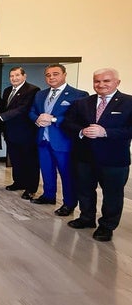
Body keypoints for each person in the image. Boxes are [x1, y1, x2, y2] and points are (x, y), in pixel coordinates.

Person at [62, 68, 132, 242]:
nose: (101, 85)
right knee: (84, 190)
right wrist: (81, 131)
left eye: (106, 81)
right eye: (97, 81)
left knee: (112, 195)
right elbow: (68, 123)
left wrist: (106, 132)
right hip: (84, 157)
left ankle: (107, 226)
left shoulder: (128, 103)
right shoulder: (82, 102)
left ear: (117, 82)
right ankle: (86, 218)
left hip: (114, 160)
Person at [29, 64, 88, 215]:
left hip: (63, 142)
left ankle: (69, 204)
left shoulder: (78, 94)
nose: (51, 77)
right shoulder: (40, 94)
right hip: (43, 140)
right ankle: (48, 196)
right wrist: (37, 119)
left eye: (55, 74)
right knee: (47, 171)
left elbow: (79, 117)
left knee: (67, 174)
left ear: (64, 74)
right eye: (48, 75)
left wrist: (54, 119)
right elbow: (32, 111)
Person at [0, 66, 39, 199]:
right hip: (10, 131)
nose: (14, 78)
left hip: (25, 132)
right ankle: (18, 182)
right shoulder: (7, 91)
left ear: (24, 76)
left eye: (17, 75)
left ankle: (30, 188)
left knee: (29, 161)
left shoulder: (32, 90)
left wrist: (0, 116)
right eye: (12, 76)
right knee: (16, 159)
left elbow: (22, 109)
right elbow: (3, 107)